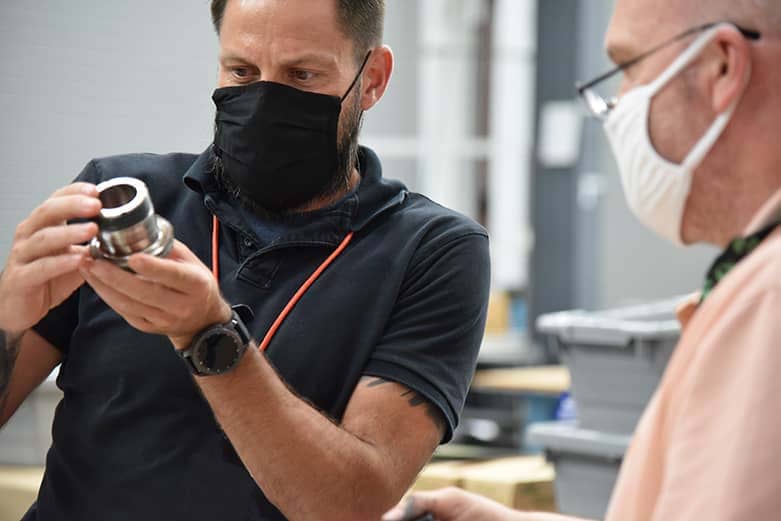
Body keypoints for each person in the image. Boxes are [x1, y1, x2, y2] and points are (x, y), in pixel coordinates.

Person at [0, 1, 491, 520]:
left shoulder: (431, 252)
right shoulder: (120, 200)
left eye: (302, 75)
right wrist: (9, 316)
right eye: (242, 71)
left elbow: (351, 504)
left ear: (372, 79)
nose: (262, 101)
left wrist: (210, 337)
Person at [385, 0, 781, 520]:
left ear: (722, 65)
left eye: (629, 65)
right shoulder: (754, 278)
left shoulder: (768, 305)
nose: (617, 104)